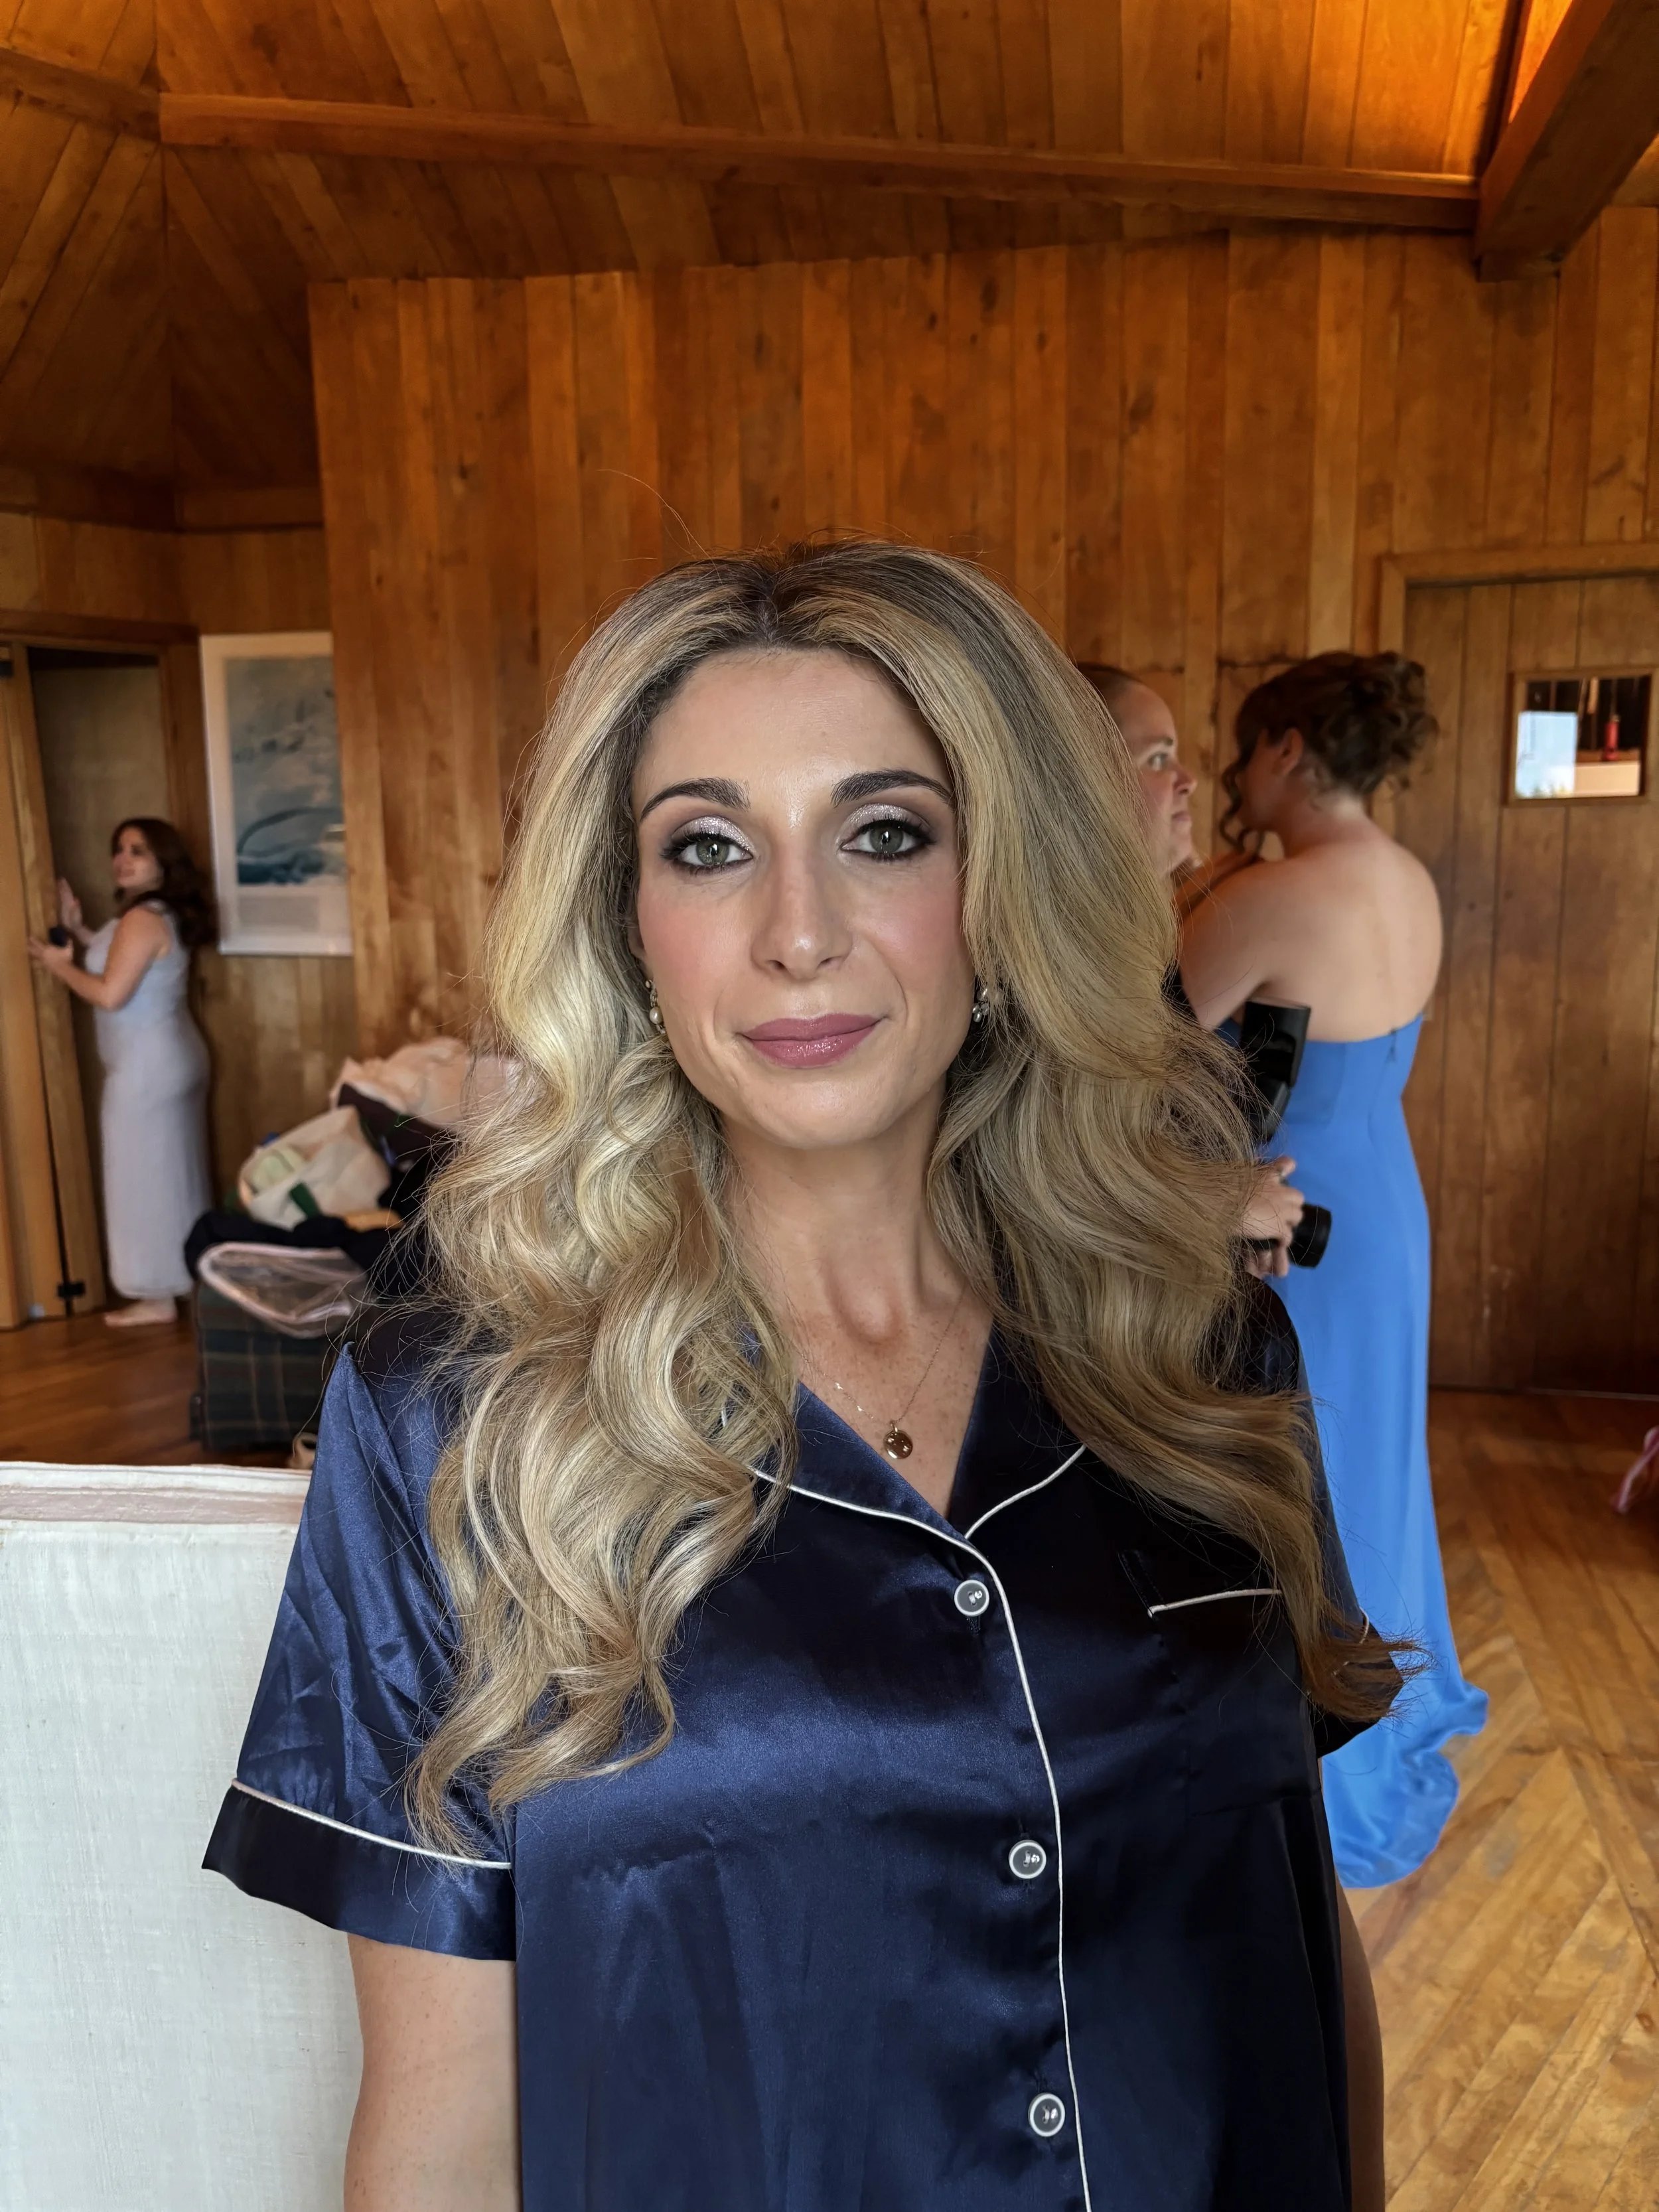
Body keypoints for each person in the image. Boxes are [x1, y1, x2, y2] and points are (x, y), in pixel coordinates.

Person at [206, 544, 1398, 2212]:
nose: (798, 933)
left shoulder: (1200, 1350)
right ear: (628, 929)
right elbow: (443, 2124)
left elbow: (1293, 1930)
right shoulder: (457, 1416)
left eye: (884, 833)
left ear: (1001, 894)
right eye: (707, 847)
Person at [1178, 652, 1488, 1889]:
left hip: (1293, 1202)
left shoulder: (1274, 894)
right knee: (1374, 1452)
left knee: (1309, 1453)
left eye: (1246, 747)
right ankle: (1383, 1685)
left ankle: (1325, 1725)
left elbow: (1149, 1030)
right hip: (1384, 1196)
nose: (1235, 771)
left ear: (1290, 749)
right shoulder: (1405, 878)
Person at [1077, 663, 1306, 1278]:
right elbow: (1035, 1167)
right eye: (1158, 758)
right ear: (1082, 776)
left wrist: (1228, 1220)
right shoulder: (1055, 949)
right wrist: (1217, 1204)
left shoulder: (1145, 930)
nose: (1189, 779)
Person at [28, 817, 213, 1326]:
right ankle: (182, 1279)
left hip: (147, 1069)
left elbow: (111, 993)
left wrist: (58, 965)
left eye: (138, 851)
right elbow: (127, 964)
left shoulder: (141, 919)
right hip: (170, 1058)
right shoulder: (157, 914)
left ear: (163, 862)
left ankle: (156, 1293)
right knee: (171, 1176)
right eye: (119, 849)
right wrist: (79, 930)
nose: (122, 859)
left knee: (141, 1179)